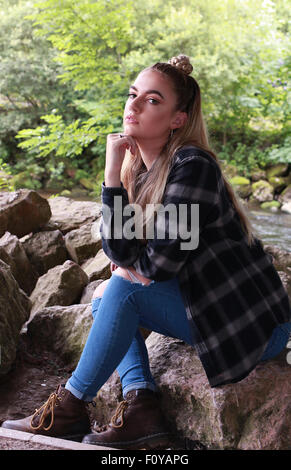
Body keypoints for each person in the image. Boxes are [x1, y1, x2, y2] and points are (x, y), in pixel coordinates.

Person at [2, 55, 291, 450]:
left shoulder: (193, 167)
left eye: (152, 100)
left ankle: (69, 407)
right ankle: (142, 408)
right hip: (202, 304)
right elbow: (122, 254)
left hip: (252, 325)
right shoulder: (140, 171)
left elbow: (161, 264)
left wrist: (128, 271)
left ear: (177, 119)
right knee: (109, 293)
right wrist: (111, 177)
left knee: (121, 291)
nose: (133, 106)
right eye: (133, 94)